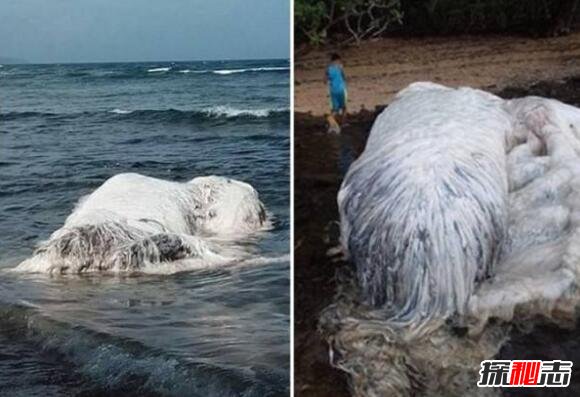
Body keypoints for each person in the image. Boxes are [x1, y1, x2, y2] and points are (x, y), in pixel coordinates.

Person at [325, 53, 347, 133]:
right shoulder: (340, 66)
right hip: (341, 89)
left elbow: (325, 80)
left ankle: (332, 123)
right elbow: (344, 76)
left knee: (335, 108)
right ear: (338, 59)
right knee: (344, 108)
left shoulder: (328, 68)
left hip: (332, 90)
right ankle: (343, 123)